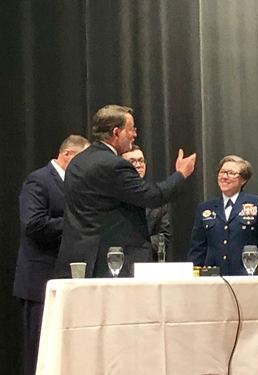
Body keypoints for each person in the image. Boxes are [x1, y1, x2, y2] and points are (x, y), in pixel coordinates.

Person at [54, 105, 196, 278]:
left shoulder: (77, 162)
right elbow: (152, 197)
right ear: (116, 133)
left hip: (80, 258)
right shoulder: (113, 164)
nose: (135, 134)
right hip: (112, 261)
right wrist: (181, 175)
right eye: (131, 129)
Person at [13, 135, 90, 375]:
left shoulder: (78, 185)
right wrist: (75, 222)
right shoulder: (39, 180)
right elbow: (33, 224)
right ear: (67, 154)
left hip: (69, 278)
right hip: (40, 281)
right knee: (41, 354)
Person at [188, 155, 258, 275]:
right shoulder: (205, 208)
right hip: (213, 278)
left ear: (243, 179)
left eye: (231, 173)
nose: (224, 177)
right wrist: (193, 274)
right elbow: (197, 247)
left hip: (247, 277)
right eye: (222, 172)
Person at [121, 145, 172, 260]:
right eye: (132, 161)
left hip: (148, 262)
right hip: (118, 261)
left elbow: (164, 237)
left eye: (141, 161)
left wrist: (138, 248)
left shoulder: (156, 197)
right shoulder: (112, 196)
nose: (138, 165)